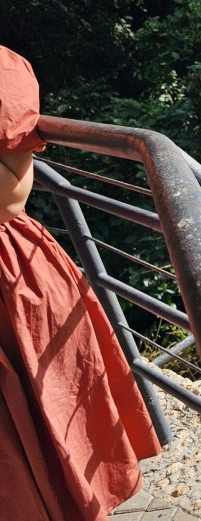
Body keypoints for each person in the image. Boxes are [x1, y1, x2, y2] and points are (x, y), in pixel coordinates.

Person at [0, 46, 161, 520]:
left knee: (52, 424)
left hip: (12, 276)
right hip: (15, 275)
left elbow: (9, 195)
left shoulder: (4, 70)